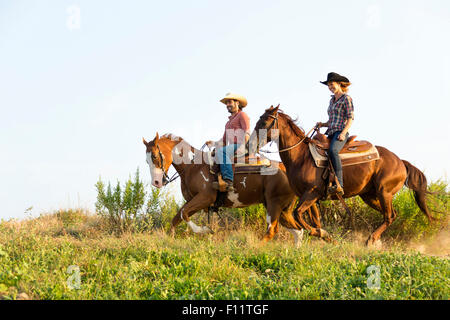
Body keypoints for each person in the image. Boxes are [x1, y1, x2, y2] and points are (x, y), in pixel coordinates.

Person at [316, 72, 354, 195]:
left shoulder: (346, 98)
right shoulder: (332, 100)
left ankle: (340, 184)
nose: (330, 87)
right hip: (331, 132)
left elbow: (350, 118)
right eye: (328, 85)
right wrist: (323, 124)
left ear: (338, 84)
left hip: (340, 132)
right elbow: (332, 120)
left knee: (333, 151)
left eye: (331, 84)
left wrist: (343, 133)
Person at [205, 93, 251, 191]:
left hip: (240, 145)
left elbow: (247, 131)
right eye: (226, 103)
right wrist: (213, 143)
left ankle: (228, 181)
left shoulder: (242, 115)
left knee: (222, 152)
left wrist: (245, 147)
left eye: (229, 102)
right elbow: (224, 141)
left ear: (237, 103)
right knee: (213, 155)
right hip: (232, 147)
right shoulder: (228, 123)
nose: (227, 105)